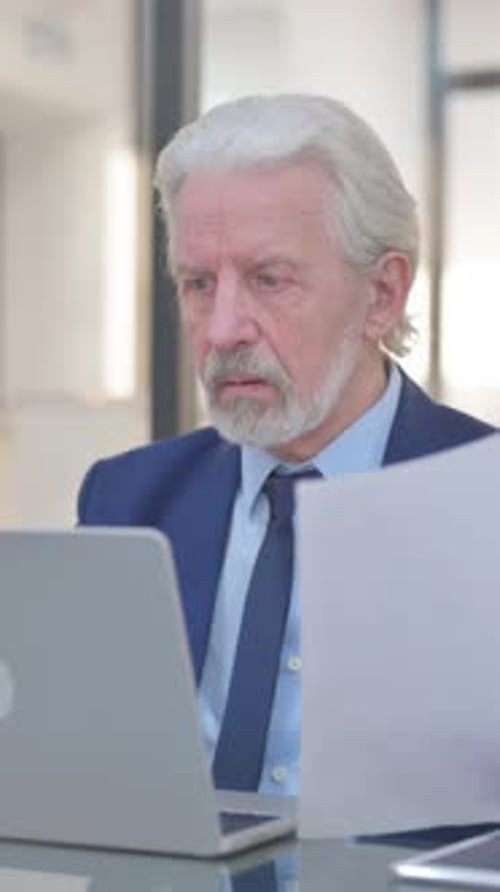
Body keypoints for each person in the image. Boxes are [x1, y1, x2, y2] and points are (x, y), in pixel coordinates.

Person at [78, 93, 494, 797]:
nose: (222, 330)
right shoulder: (125, 498)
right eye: (199, 284)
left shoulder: (485, 498)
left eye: (270, 280)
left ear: (383, 295)